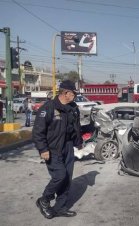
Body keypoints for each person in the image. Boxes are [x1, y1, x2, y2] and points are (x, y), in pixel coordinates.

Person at [32, 80, 83, 219]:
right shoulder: (48, 108)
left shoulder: (73, 107)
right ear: (66, 93)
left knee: (67, 179)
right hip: (52, 148)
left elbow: (76, 127)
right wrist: (43, 149)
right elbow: (38, 131)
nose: (75, 96)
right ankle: (44, 200)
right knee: (60, 176)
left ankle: (60, 208)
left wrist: (79, 142)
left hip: (68, 147)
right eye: (74, 93)